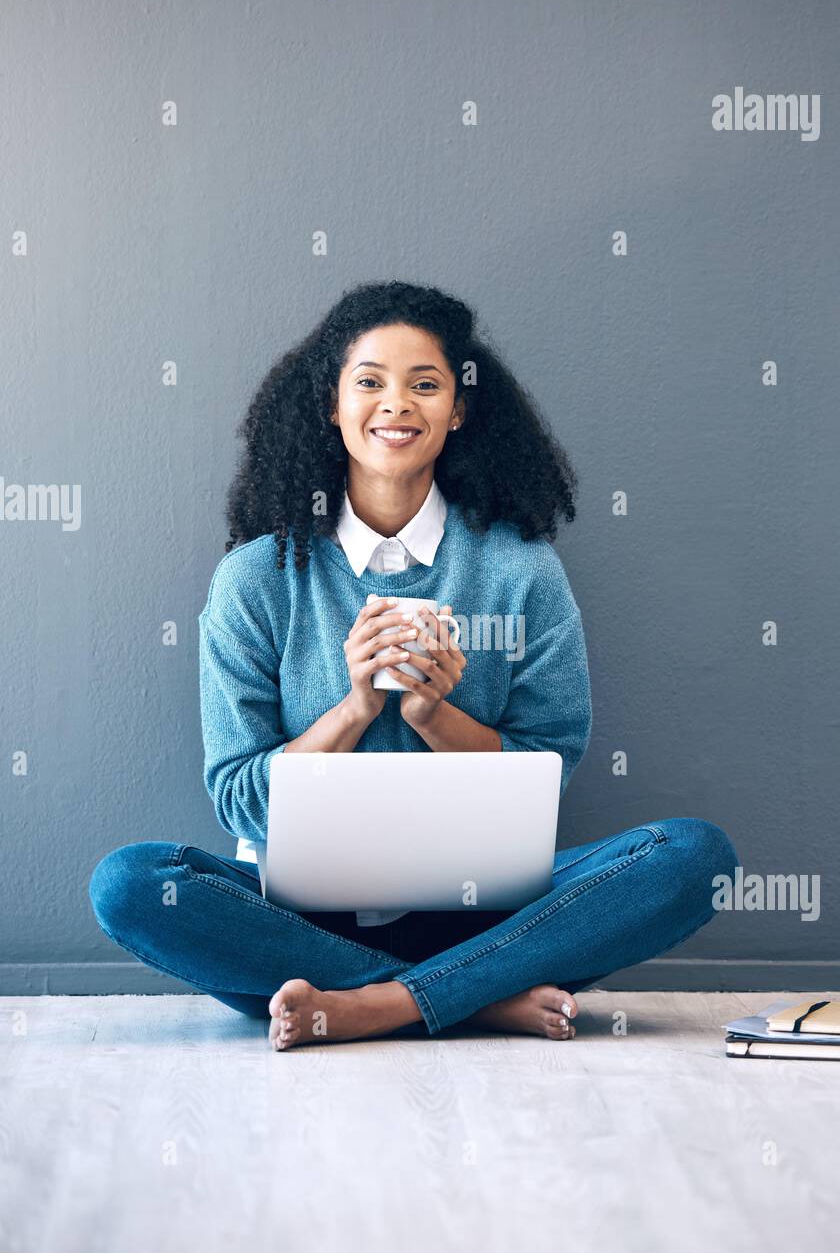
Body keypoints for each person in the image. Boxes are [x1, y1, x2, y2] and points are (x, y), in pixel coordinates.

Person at [89, 279, 738, 1051]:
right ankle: (471, 998)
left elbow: (549, 769)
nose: (396, 404)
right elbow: (240, 802)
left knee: (695, 858)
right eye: (369, 382)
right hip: (305, 924)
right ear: (331, 404)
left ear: (458, 409)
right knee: (130, 886)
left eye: (425, 384)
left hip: (485, 911)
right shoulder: (257, 579)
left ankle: (374, 1004)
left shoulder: (520, 571)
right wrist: (355, 706)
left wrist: (435, 715)